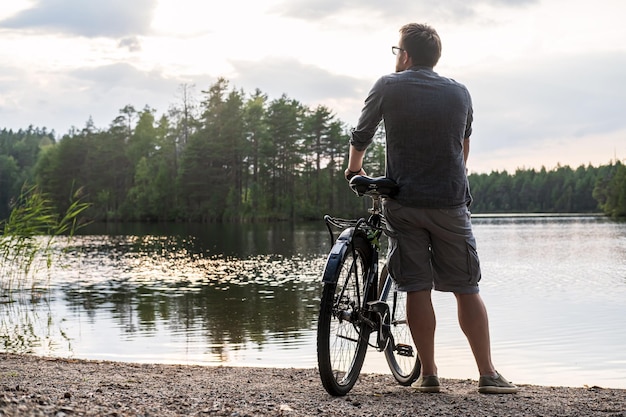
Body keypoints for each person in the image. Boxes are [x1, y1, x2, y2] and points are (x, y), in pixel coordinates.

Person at [344, 23, 517, 394]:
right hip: (450, 203)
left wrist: (354, 170)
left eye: (396, 51)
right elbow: (463, 147)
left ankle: (429, 375)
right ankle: (487, 374)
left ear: (404, 55)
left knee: (417, 287)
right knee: (466, 288)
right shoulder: (460, 92)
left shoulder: (387, 86)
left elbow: (361, 134)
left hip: (404, 203)